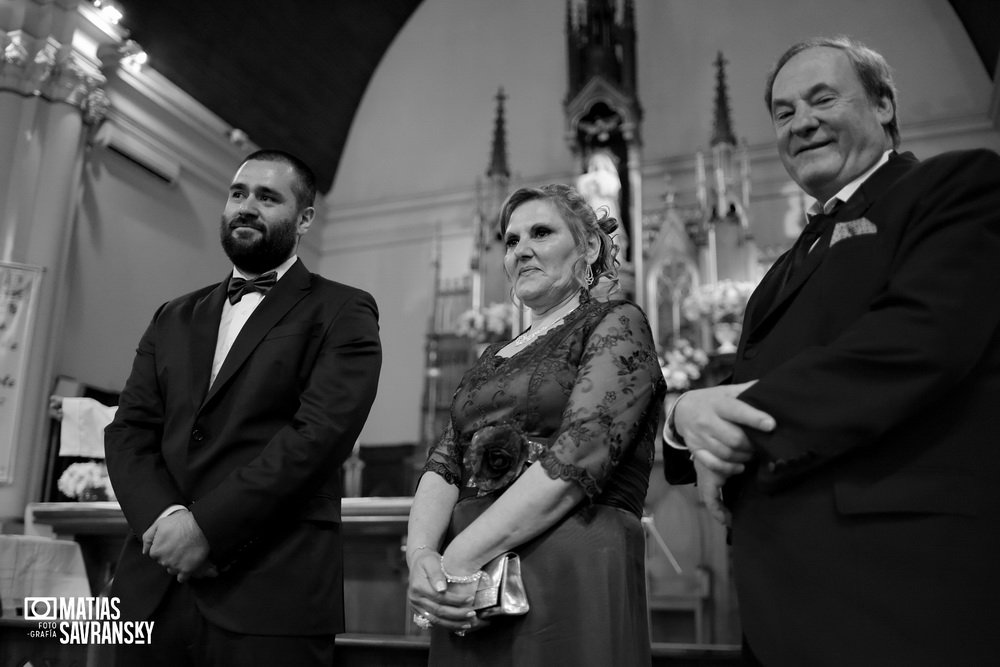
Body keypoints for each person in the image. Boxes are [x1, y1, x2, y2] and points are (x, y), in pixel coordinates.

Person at [664, 36, 1000, 666]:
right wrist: (684, 424)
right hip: (781, 604)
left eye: (823, 99)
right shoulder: (778, 272)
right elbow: (733, 392)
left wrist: (730, 422)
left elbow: (917, 343)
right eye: (785, 112)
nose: (803, 122)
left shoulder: (953, 186)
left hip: (896, 589)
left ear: (884, 106)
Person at [104, 149, 382, 666]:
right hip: (149, 590)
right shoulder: (173, 316)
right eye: (238, 194)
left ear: (304, 220)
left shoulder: (344, 309)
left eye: (268, 197)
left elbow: (316, 437)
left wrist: (205, 529)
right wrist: (164, 519)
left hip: (269, 588)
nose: (247, 206)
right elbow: (128, 432)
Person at [407, 183, 674, 666]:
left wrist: (462, 554)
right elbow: (446, 459)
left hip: (569, 557)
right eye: (510, 241)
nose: (520, 250)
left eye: (541, 233)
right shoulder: (490, 358)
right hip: (466, 580)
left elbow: (584, 446)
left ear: (589, 246)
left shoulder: (616, 322)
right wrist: (423, 555)